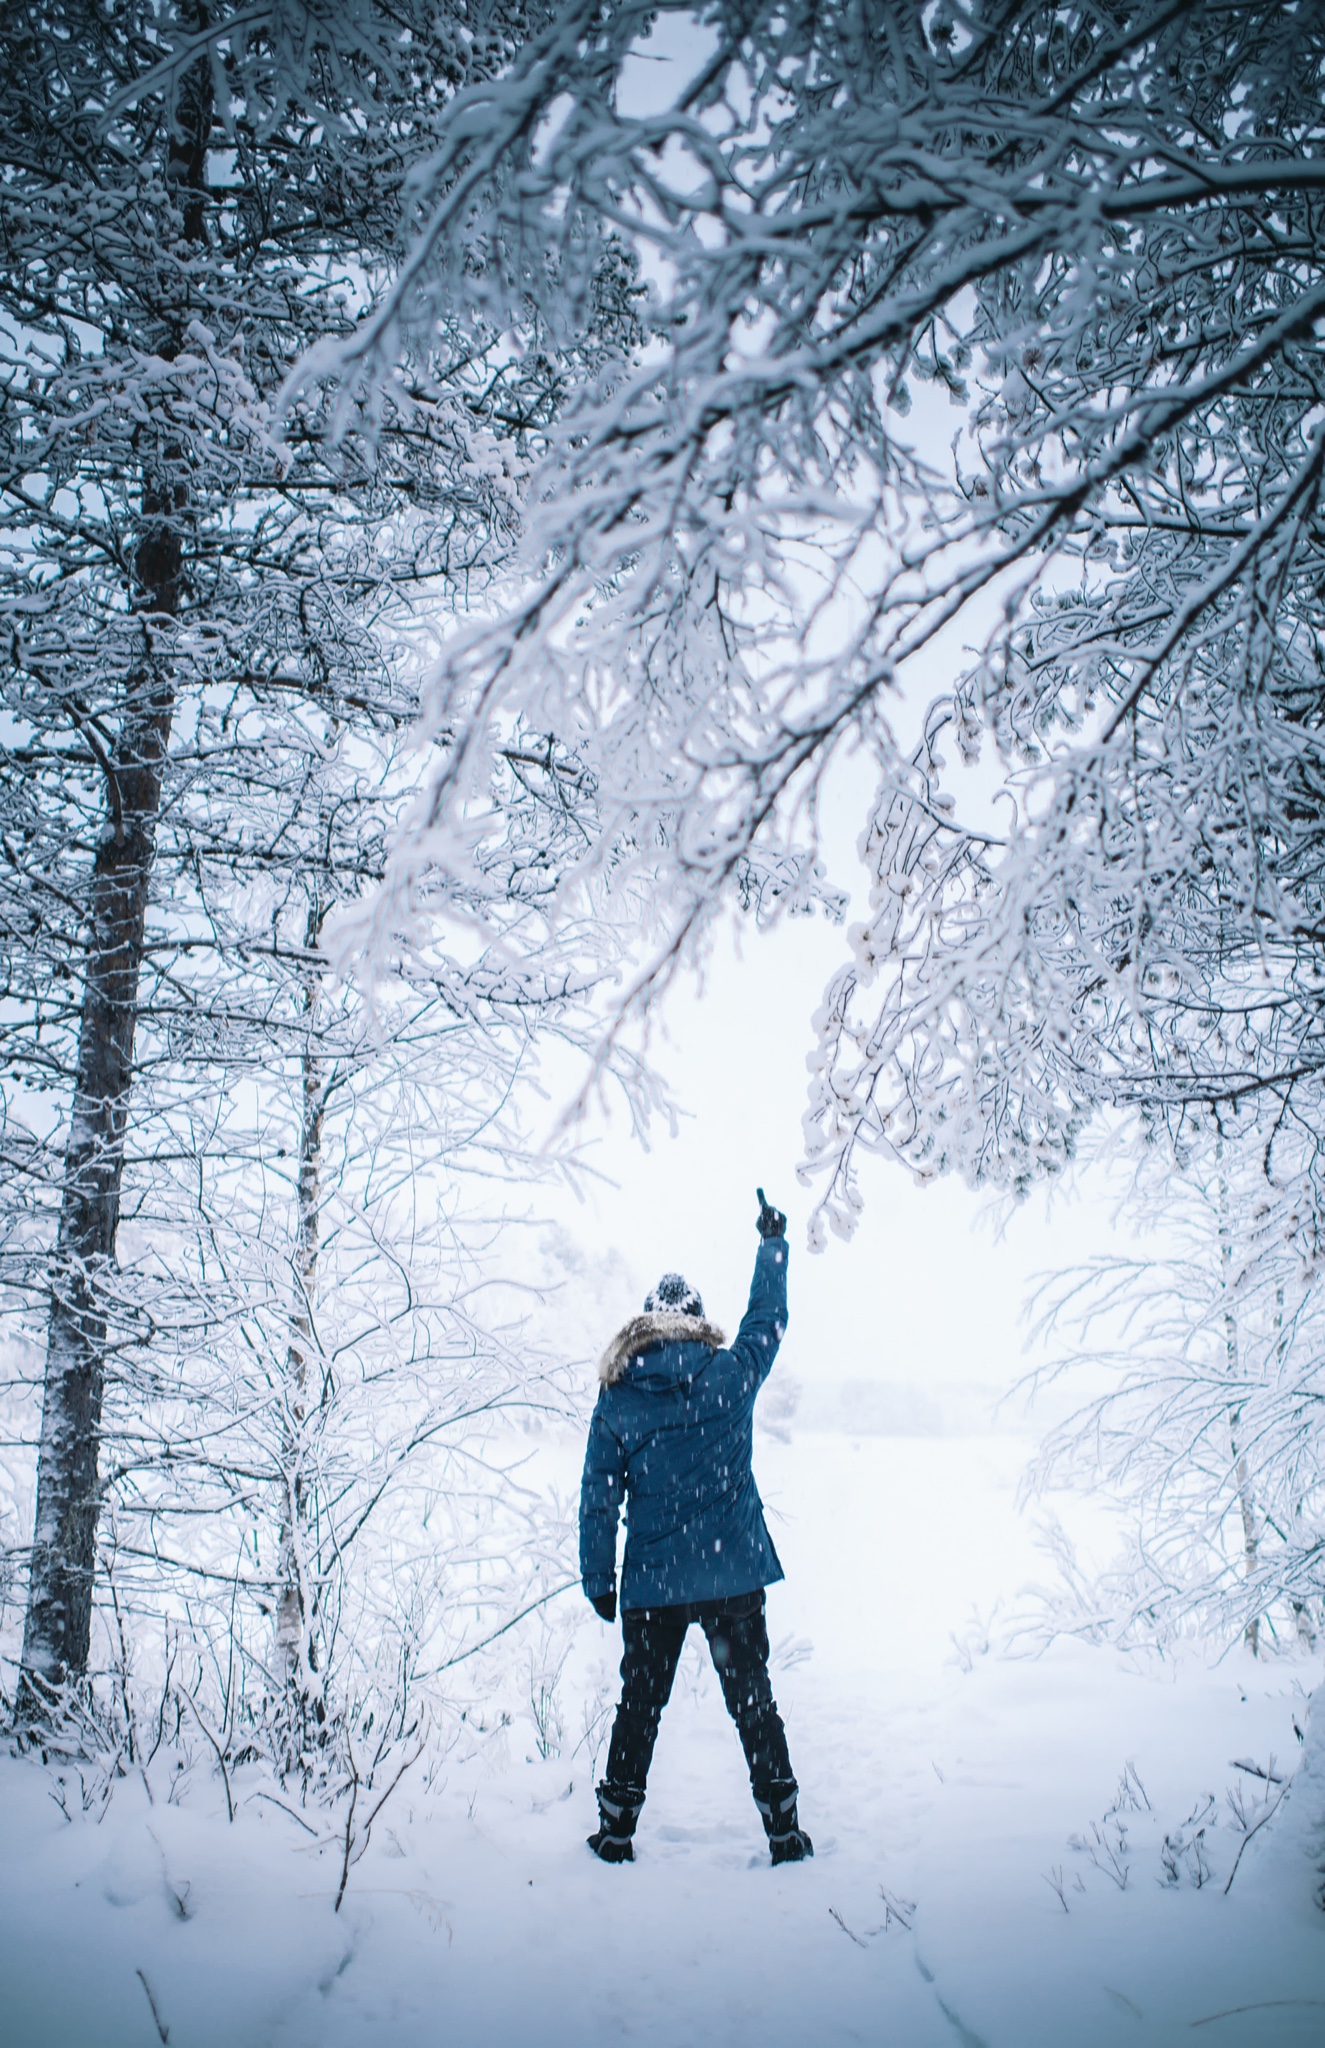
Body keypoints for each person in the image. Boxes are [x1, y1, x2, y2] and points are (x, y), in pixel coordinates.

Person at [578, 1188, 811, 1866]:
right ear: (698, 1321)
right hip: (730, 1572)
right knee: (754, 1704)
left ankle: (616, 1833)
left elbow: (597, 1496)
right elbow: (767, 1320)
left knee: (639, 1708)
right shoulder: (728, 1375)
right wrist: (771, 1246)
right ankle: (783, 1832)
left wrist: (599, 1578)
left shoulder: (618, 1395)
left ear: (647, 1324)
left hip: (653, 1586)